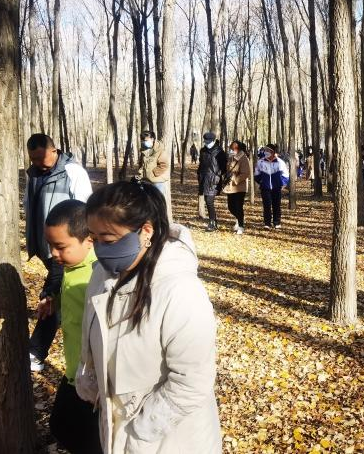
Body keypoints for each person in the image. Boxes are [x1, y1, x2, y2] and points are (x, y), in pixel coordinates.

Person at [76, 181, 221, 453]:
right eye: (94, 239)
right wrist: (90, 379)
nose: (100, 249)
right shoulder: (100, 276)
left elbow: (192, 380)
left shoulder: (181, 291)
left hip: (172, 441)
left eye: (108, 240)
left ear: (146, 231)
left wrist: (140, 429)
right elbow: (91, 340)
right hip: (117, 436)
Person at [24, 133, 93, 372]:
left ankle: (35, 352)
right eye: (32, 158)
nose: (36, 163)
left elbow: (84, 208)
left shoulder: (72, 172)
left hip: (68, 247)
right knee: (61, 294)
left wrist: (74, 243)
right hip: (47, 246)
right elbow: (29, 206)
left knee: (52, 294)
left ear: (54, 151)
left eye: (40, 157)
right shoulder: (33, 174)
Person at [41, 199, 102, 454]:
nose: (54, 254)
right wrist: (53, 298)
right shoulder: (70, 263)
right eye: (51, 246)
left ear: (89, 241)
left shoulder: (98, 275)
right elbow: (63, 284)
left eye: (60, 247)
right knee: (60, 425)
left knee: (90, 440)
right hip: (73, 371)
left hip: (93, 379)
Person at [197, 132, 227, 232]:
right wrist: (199, 174)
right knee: (207, 200)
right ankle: (213, 221)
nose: (207, 143)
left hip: (214, 180)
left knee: (209, 201)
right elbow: (201, 164)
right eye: (205, 141)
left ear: (213, 141)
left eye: (209, 141)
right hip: (204, 179)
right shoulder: (203, 150)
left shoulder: (219, 151)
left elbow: (224, 167)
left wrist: (217, 175)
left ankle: (212, 222)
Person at [255, 144, 289, 229]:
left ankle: (277, 222)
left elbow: (286, 175)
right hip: (265, 188)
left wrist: (281, 183)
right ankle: (267, 223)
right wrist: (261, 182)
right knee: (266, 205)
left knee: (276, 205)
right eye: (265, 150)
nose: (266, 152)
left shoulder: (280, 162)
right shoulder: (260, 162)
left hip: (276, 188)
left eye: (268, 150)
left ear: (273, 152)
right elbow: (256, 174)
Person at [224, 141, 251, 235]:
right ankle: (239, 218)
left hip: (240, 187)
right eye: (231, 148)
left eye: (233, 148)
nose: (231, 150)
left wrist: (235, 180)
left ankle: (241, 225)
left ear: (237, 148)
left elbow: (246, 173)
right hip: (230, 186)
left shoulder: (243, 158)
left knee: (238, 206)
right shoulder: (230, 157)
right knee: (230, 206)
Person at [135, 131, 170, 195]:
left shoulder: (160, 150)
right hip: (146, 181)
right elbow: (142, 165)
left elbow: (164, 165)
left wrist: (154, 173)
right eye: (143, 141)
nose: (144, 142)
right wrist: (140, 175)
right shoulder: (144, 150)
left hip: (157, 182)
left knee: (157, 200)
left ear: (152, 139)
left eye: (146, 140)